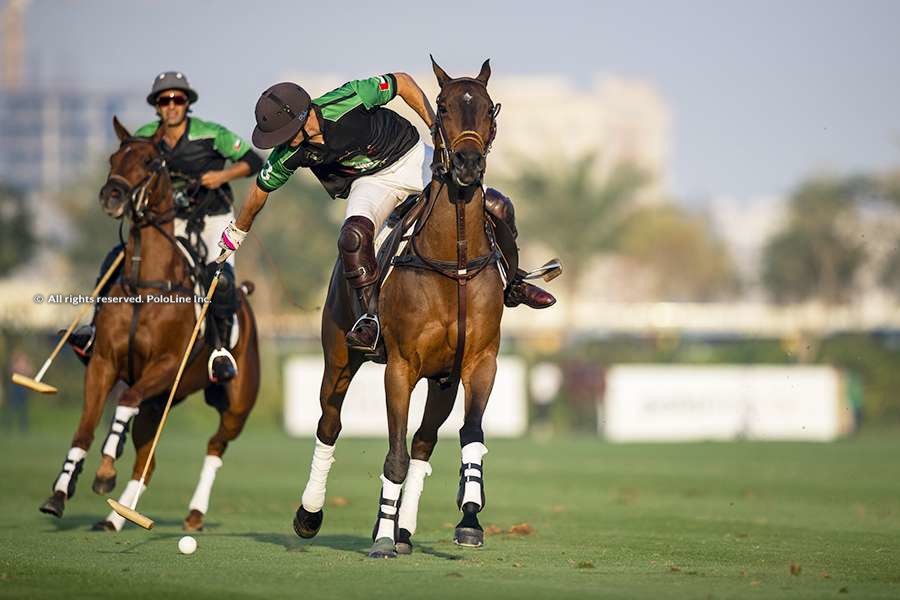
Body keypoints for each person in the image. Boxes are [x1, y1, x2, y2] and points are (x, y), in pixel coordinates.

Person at [217, 73, 555, 351]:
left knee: (495, 205)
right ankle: (371, 319)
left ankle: (513, 282)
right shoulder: (287, 155)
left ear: (304, 118)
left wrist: (435, 129)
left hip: (410, 159)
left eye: (285, 134)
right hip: (371, 183)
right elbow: (259, 192)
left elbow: (403, 83)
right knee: (352, 237)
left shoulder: (347, 98)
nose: (282, 141)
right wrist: (237, 232)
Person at [69, 71, 263, 382]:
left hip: (214, 218)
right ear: (157, 106)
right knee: (118, 258)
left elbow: (254, 161)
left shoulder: (211, 133)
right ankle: (94, 330)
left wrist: (221, 177)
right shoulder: (146, 136)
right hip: (171, 220)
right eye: (164, 100)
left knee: (220, 278)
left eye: (178, 99)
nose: (171, 105)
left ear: (187, 104)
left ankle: (220, 350)